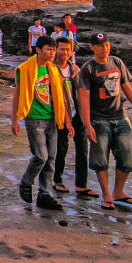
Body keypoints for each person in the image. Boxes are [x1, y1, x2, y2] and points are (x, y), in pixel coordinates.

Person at [77, 33, 132, 210]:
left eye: (107, 44)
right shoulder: (88, 69)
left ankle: (119, 192)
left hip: (120, 116)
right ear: (92, 47)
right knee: (100, 159)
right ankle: (107, 194)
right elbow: (84, 100)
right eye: (101, 45)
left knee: (126, 157)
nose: (105, 48)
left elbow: (126, 88)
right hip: (98, 119)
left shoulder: (117, 63)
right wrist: (87, 124)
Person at [11, 35, 71, 210]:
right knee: (41, 156)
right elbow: (18, 94)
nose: (52, 53)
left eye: (53, 50)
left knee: (51, 159)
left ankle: (44, 194)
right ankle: (26, 181)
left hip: (52, 119)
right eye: (48, 49)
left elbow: (61, 97)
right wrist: (14, 119)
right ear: (38, 50)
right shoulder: (26, 69)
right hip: (34, 119)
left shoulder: (53, 70)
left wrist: (67, 120)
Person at [52, 35, 96, 198]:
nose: (64, 52)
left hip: (77, 114)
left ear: (71, 52)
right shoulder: (51, 70)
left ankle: (81, 185)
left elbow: (84, 95)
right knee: (61, 148)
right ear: (56, 50)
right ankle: (57, 180)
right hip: (59, 116)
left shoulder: (76, 70)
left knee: (82, 149)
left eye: (67, 49)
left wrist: (87, 117)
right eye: (61, 49)